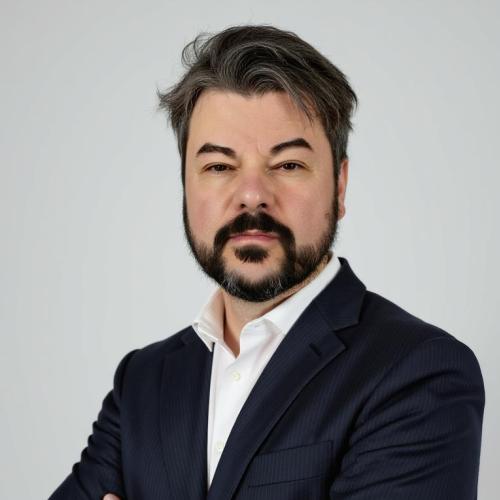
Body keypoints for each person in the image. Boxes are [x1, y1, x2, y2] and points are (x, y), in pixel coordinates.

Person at [49, 25, 484, 500]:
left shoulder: (418, 372)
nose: (252, 195)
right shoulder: (142, 382)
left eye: (288, 165)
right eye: (219, 166)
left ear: (339, 187)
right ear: (185, 186)